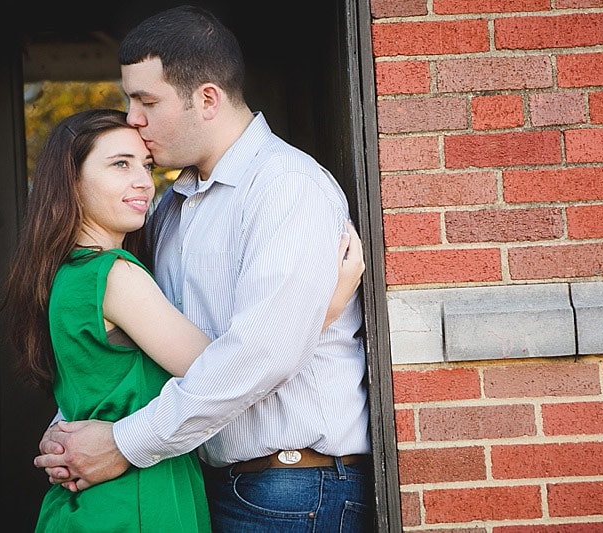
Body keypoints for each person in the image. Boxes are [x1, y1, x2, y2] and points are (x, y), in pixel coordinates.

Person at [35, 3, 374, 531]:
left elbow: (262, 353)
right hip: (200, 479)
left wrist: (123, 442)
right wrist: (73, 425)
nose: (132, 118)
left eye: (146, 100)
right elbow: (141, 346)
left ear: (207, 99)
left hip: (291, 488)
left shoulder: (285, 185)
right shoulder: (170, 207)